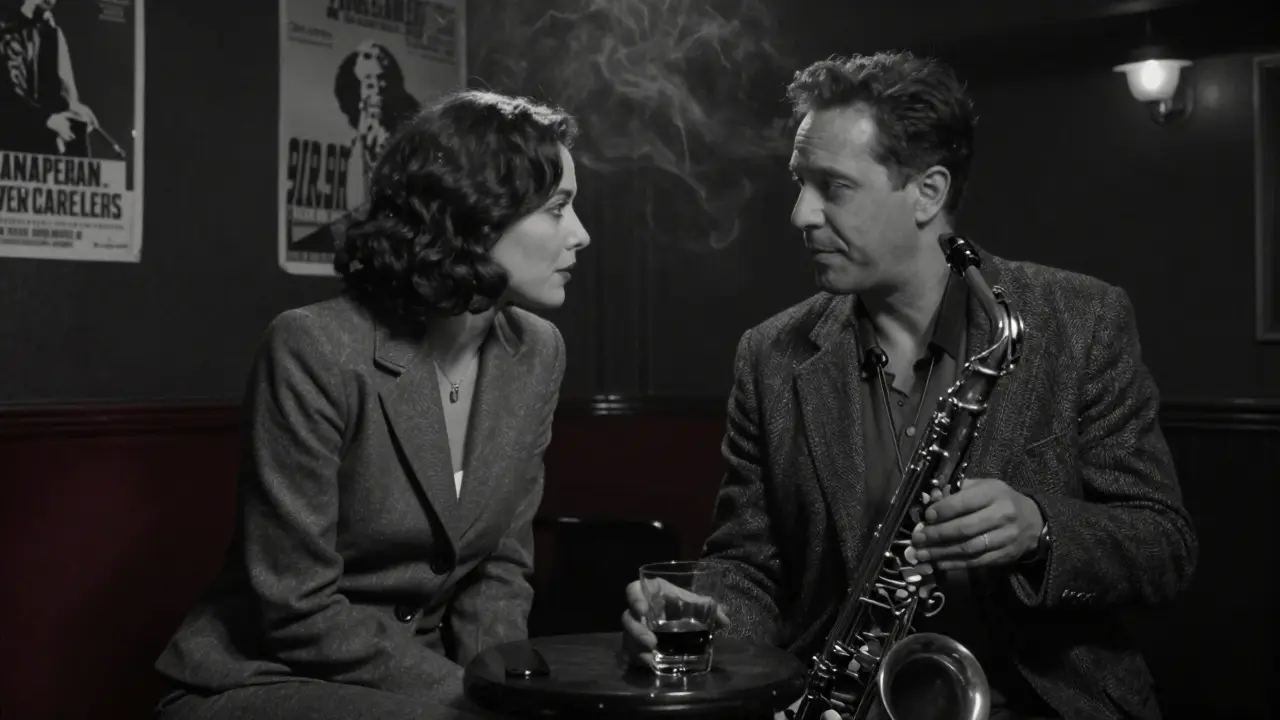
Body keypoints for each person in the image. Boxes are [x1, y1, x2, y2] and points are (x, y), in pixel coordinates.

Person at [622, 51, 1196, 720]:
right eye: (799, 183)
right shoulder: (769, 354)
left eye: (832, 187)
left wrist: (1039, 531)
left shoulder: (1082, 320)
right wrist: (707, 613)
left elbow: (1163, 544)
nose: (801, 214)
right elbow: (748, 565)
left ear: (927, 193)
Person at [154, 89, 590, 720]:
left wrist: (510, 694)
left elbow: (498, 572)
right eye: (558, 209)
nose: (581, 234)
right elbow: (296, 608)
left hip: (430, 686)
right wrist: (472, 702)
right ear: (476, 215)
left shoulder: (537, 351)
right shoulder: (312, 346)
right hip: (262, 678)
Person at [0, 0, 103, 157]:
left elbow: (56, 89)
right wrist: (45, 120)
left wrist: (73, 108)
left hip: (36, 139)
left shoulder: (49, 27)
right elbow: (7, 96)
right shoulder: (8, 26)